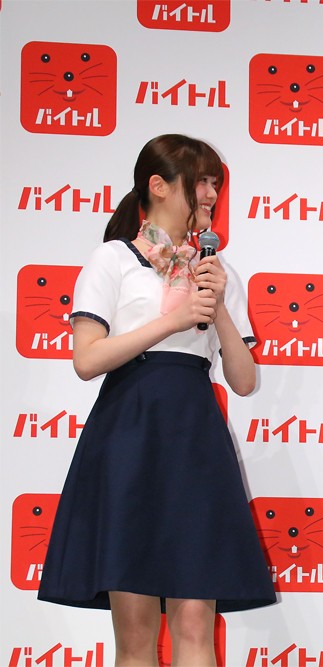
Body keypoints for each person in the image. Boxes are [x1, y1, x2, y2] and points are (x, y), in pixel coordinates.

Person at [38, 134, 276, 666]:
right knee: (137, 629)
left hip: (195, 439)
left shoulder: (216, 271)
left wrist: (218, 306)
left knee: (194, 621)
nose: (211, 194)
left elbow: (243, 380)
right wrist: (172, 320)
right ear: (159, 186)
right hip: (129, 434)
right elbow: (86, 359)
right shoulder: (113, 259)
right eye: (202, 182)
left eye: (215, 183)